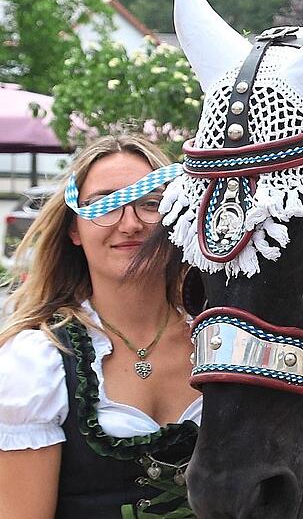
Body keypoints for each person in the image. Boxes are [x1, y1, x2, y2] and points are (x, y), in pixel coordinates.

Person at [0, 135, 200, 518]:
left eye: (150, 204)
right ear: (74, 230)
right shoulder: (37, 364)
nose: (129, 224)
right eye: (104, 205)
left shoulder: (220, 342)